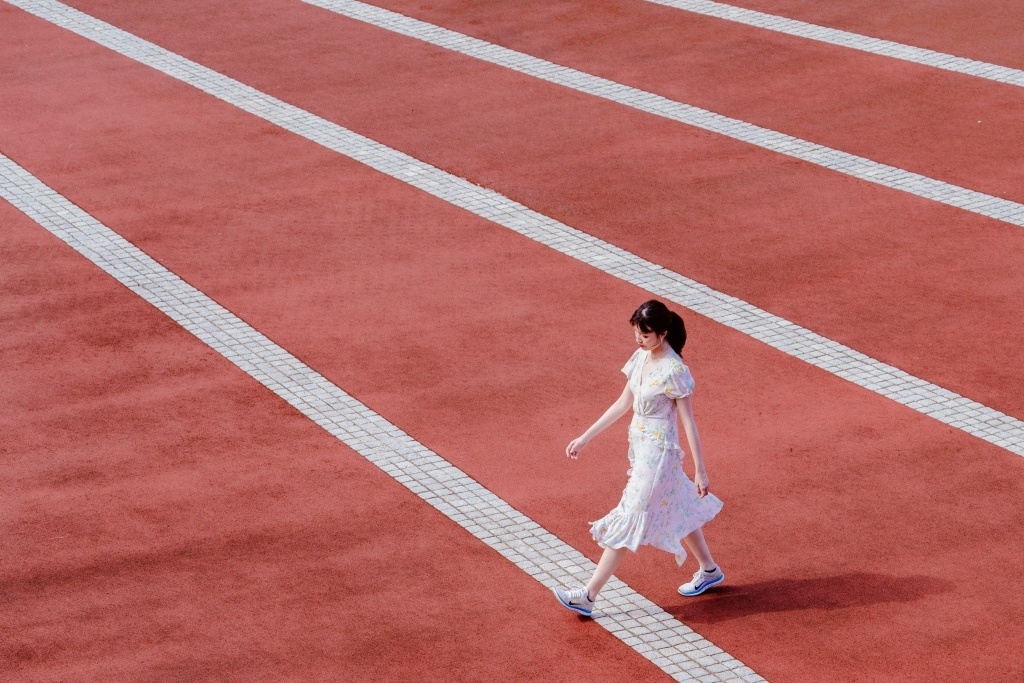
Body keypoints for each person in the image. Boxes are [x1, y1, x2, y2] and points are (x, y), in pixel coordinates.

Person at [553, 300, 724, 617]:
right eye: (636, 334)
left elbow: (689, 422)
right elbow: (622, 404)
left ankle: (588, 596)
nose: (639, 340)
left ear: (662, 334)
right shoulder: (641, 357)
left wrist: (701, 470)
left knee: (630, 514)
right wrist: (585, 437)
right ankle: (709, 570)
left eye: (644, 336)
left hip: (659, 455)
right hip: (641, 447)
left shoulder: (675, 372)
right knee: (677, 505)